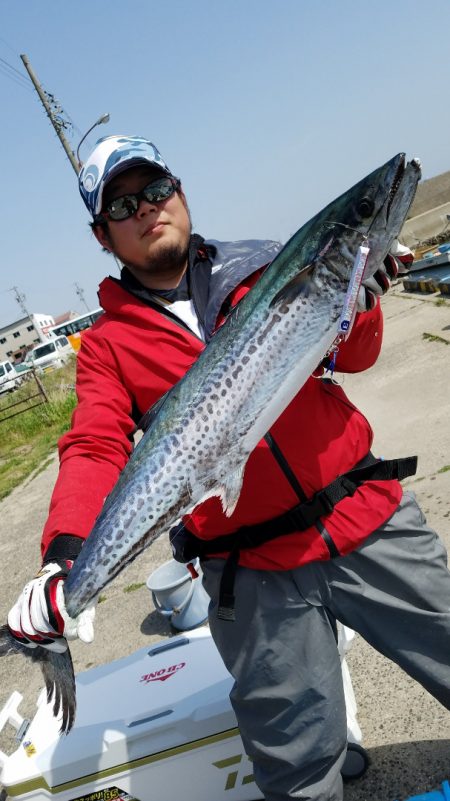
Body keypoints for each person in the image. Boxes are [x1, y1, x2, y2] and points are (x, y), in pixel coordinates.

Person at [7, 135, 450, 801]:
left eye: (156, 189)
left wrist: (363, 301)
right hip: (255, 576)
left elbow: (350, 354)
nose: (147, 208)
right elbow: (95, 445)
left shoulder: (262, 262)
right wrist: (63, 558)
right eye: (123, 205)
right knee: (299, 771)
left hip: (366, 517)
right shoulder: (106, 344)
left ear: (180, 192)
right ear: (103, 235)